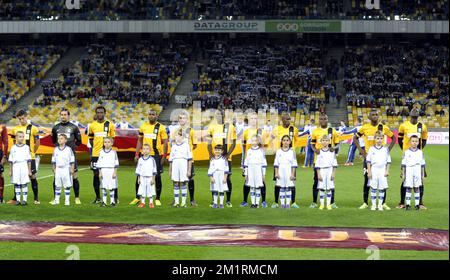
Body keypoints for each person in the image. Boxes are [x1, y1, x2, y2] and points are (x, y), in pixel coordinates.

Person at [354, 109, 396, 210]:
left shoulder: (384, 128)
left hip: (381, 159)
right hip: (369, 158)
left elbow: (394, 138)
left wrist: (387, 151)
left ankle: (383, 203)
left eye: (376, 114)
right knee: (367, 180)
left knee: (383, 180)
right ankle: (365, 202)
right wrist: (361, 150)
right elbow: (355, 138)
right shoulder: (365, 127)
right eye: (372, 114)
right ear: (369, 117)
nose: (375, 116)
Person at [131, 109, 168, 206]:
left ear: (156, 116)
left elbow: (165, 142)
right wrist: (136, 154)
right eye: (150, 114)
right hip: (145, 155)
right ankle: (137, 197)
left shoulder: (161, 127)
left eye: (153, 114)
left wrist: (164, 156)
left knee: (157, 176)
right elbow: (139, 141)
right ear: (148, 116)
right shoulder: (143, 126)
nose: (151, 116)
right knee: (139, 176)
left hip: (156, 155)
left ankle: (157, 198)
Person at [396, 109, 428, 209]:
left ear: (418, 116)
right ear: (410, 115)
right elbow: (400, 139)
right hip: (407, 156)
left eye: (416, 116)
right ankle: (402, 202)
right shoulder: (403, 125)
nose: (414, 118)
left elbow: (424, 140)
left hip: (417, 156)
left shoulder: (422, 126)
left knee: (419, 181)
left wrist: (420, 151)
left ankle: (420, 203)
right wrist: (405, 150)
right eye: (413, 116)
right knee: (405, 180)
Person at [8, 110, 40, 205]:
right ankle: (15, 199)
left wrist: (32, 152)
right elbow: (14, 142)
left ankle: (36, 198)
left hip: (30, 157)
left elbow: (37, 142)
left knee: (32, 176)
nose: (21, 120)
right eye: (20, 118)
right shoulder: (15, 129)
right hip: (18, 159)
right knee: (16, 177)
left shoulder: (33, 128)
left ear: (26, 117)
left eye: (23, 118)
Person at [51, 109, 82, 204]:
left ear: (68, 116)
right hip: (59, 157)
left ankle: (77, 198)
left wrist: (72, 148)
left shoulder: (74, 127)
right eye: (62, 114)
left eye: (65, 114)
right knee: (56, 177)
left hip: (70, 156)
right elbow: (53, 141)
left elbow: (79, 141)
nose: (63, 116)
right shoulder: (56, 128)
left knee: (74, 176)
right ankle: (55, 198)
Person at [309, 113, 340, 209]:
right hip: (318, 160)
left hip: (330, 160)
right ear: (319, 120)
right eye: (321, 119)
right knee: (316, 181)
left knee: (331, 180)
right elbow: (312, 144)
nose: (323, 120)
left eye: (325, 119)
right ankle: (314, 202)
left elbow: (338, 144)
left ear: (327, 119)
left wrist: (333, 148)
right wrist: (315, 150)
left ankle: (332, 203)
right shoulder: (315, 131)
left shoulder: (332, 131)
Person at [207, 110, 236, 207]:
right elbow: (208, 142)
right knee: (213, 178)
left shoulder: (231, 127)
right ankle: (214, 201)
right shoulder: (211, 127)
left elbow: (234, 142)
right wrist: (211, 155)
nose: (220, 116)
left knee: (227, 178)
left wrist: (227, 155)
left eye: (221, 114)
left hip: (226, 158)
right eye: (218, 114)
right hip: (214, 159)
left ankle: (228, 200)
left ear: (224, 116)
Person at [169, 111, 198, 206]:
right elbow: (172, 144)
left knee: (190, 178)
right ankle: (176, 199)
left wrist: (186, 153)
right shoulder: (174, 131)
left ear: (187, 119)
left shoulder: (191, 130)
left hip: (187, 159)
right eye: (180, 118)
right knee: (176, 179)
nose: (182, 120)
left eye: (184, 118)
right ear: (178, 120)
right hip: (177, 160)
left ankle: (192, 199)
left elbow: (195, 145)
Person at [88, 106, 116, 204]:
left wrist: (106, 150)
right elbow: (91, 140)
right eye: (98, 112)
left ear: (105, 113)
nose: (100, 114)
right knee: (96, 175)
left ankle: (115, 198)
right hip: (96, 155)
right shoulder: (92, 126)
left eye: (101, 112)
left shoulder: (110, 125)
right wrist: (96, 149)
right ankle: (98, 197)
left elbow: (113, 140)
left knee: (111, 175)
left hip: (108, 155)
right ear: (96, 114)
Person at [270, 113, 299, 208]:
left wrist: (293, 151)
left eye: (289, 119)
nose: (288, 121)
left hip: (290, 156)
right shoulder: (276, 129)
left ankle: (293, 202)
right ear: (282, 120)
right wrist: (274, 149)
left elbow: (296, 141)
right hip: (280, 156)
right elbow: (271, 139)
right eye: (287, 119)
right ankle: (276, 202)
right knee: (278, 181)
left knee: (292, 180)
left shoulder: (294, 129)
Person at [240, 111, 267, 207]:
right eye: (252, 118)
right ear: (248, 120)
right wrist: (244, 161)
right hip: (249, 160)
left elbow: (264, 146)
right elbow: (243, 147)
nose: (253, 120)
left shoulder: (261, 131)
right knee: (247, 180)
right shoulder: (245, 132)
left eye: (255, 118)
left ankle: (263, 201)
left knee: (261, 181)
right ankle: (245, 200)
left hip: (258, 160)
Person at [366, 131, 391, 211]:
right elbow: (368, 161)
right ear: (374, 139)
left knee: (381, 188)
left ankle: (380, 205)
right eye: (377, 138)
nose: (379, 140)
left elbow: (388, 161)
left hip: (382, 170)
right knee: (373, 187)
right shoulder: (371, 149)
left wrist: (387, 171)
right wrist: (369, 171)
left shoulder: (385, 149)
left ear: (383, 139)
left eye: (381, 138)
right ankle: (373, 205)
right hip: (374, 169)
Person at [169, 128, 193, 208]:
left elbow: (189, 159)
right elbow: (171, 160)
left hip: (183, 164)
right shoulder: (173, 146)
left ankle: (183, 202)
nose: (178, 137)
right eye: (176, 135)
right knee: (175, 182)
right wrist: (170, 171)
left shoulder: (186, 146)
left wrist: (189, 170)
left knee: (183, 183)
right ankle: (176, 202)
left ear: (183, 137)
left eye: (180, 135)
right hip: (175, 165)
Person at [401, 135, 426, 211]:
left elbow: (422, 165)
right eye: (413, 141)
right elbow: (403, 165)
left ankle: (417, 204)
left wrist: (422, 175)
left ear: (418, 142)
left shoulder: (420, 152)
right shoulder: (406, 152)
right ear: (410, 142)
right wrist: (403, 174)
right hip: (409, 170)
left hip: (417, 170)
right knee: (408, 187)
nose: (414, 143)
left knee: (417, 187)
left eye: (416, 141)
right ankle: (408, 204)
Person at [8, 131, 32, 206]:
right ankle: (18, 200)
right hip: (16, 166)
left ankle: (24, 200)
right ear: (16, 138)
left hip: (24, 165)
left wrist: (29, 170)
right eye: (20, 137)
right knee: (17, 183)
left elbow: (29, 160)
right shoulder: (13, 148)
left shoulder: (26, 147)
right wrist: (10, 170)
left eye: (22, 137)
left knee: (24, 183)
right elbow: (11, 161)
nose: (21, 138)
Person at [50, 134, 75, 206]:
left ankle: (67, 201)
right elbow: (53, 160)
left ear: (65, 140)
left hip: (66, 169)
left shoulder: (68, 149)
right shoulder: (56, 149)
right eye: (59, 138)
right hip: (58, 169)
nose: (60, 140)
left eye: (61, 138)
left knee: (67, 185)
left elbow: (72, 160)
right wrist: (54, 168)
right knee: (57, 185)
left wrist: (72, 168)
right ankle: (57, 200)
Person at [274, 135, 298, 209]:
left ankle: (287, 204)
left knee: (288, 187)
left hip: (289, 171)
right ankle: (282, 203)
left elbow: (294, 164)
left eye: (287, 140)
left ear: (290, 142)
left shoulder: (292, 152)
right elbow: (276, 164)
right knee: (281, 187)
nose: (285, 142)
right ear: (281, 141)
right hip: (281, 170)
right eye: (284, 140)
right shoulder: (278, 151)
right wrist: (276, 173)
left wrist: (293, 174)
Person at [314, 135, 338, 210]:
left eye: (326, 140)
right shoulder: (319, 151)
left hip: (330, 170)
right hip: (322, 170)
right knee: (321, 188)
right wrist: (318, 174)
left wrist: (333, 173)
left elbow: (334, 163)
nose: (325, 142)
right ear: (321, 142)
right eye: (323, 140)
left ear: (329, 141)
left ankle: (328, 204)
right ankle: (321, 204)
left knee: (329, 188)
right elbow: (317, 164)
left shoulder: (332, 151)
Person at [243, 135, 267, 208]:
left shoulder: (261, 151)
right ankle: (253, 203)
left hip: (258, 170)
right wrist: (246, 174)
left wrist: (263, 174)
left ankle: (257, 203)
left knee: (258, 187)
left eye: (255, 140)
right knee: (252, 187)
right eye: (252, 140)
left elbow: (264, 164)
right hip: (250, 170)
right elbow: (246, 163)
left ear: (258, 141)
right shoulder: (249, 151)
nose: (254, 142)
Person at [96, 137, 119, 207]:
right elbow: (99, 163)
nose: (107, 143)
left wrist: (115, 172)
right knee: (104, 186)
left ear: (112, 143)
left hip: (111, 171)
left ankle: (112, 202)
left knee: (112, 187)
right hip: (103, 171)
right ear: (103, 143)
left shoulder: (114, 152)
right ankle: (104, 202)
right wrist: (100, 172)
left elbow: (116, 163)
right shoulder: (101, 152)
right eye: (105, 142)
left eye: (109, 142)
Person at [136, 144, 157, 208]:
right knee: (142, 190)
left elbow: (154, 170)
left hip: (150, 177)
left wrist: (153, 179)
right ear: (142, 150)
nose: (145, 150)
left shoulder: (152, 160)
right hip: (142, 177)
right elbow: (138, 170)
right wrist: (139, 178)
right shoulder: (140, 159)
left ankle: (151, 202)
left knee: (150, 190)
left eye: (147, 149)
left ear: (150, 150)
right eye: (144, 149)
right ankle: (143, 202)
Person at [0, 122, 8, 203]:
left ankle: (1, 197)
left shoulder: (2, 126)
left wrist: (4, 155)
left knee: (0, 175)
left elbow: (5, 142)